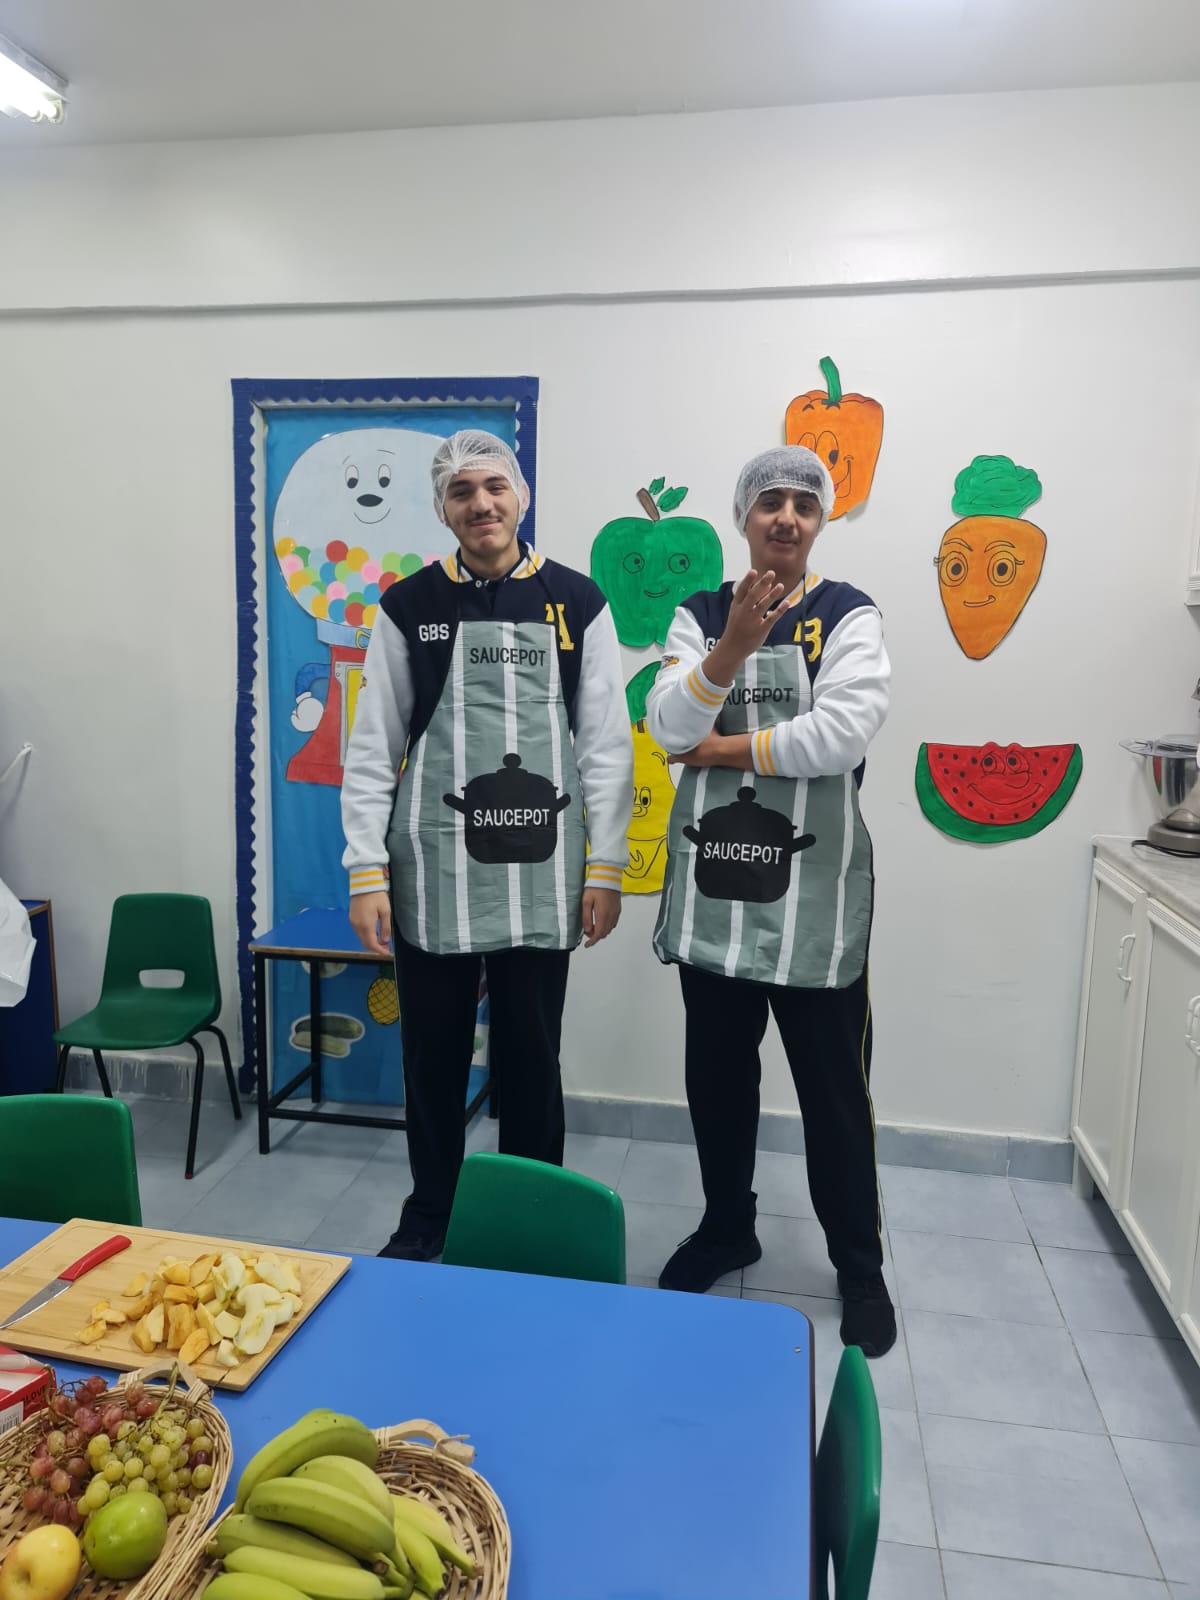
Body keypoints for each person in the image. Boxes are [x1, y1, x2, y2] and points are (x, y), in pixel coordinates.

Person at [341, 429, 633, 1260]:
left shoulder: (578, 602)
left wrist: (605, 866)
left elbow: (606, 745)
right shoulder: (408, 606)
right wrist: (366, 871)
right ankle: (431, 1211)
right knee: (432, 1056)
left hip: (543, 870)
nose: (482, 504)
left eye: (495, 486)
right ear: (443, 509)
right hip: (434, 867)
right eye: (462, 491)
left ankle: (530, 1214)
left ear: (521, 496)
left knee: (533, 1058)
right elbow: (373, 746)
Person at [646, 444, 895, 1356]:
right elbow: (666, 722)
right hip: (718, 891)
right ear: (744, 517)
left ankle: (859, 1266)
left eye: (803, 503)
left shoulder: (848, 613)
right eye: (770, 501)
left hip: (814, 901)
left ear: (819, 521)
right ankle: (726, 1229)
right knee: (718, 1081)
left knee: (835, 1097)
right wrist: (733, 649)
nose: (786, 516)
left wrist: (719, 749)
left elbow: (841, 734)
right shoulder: (702, 614)